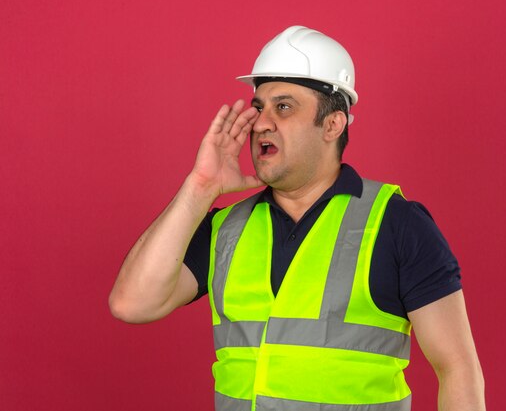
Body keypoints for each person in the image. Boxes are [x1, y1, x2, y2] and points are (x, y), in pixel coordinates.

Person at [110, 25, 485, 411]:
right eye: (258, 107)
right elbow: (131, 304)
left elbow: (458, 368)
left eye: (283, 107)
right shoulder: (226, 230)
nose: (261, 122)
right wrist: (200, 187)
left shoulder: (396, 225)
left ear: (333, 124)